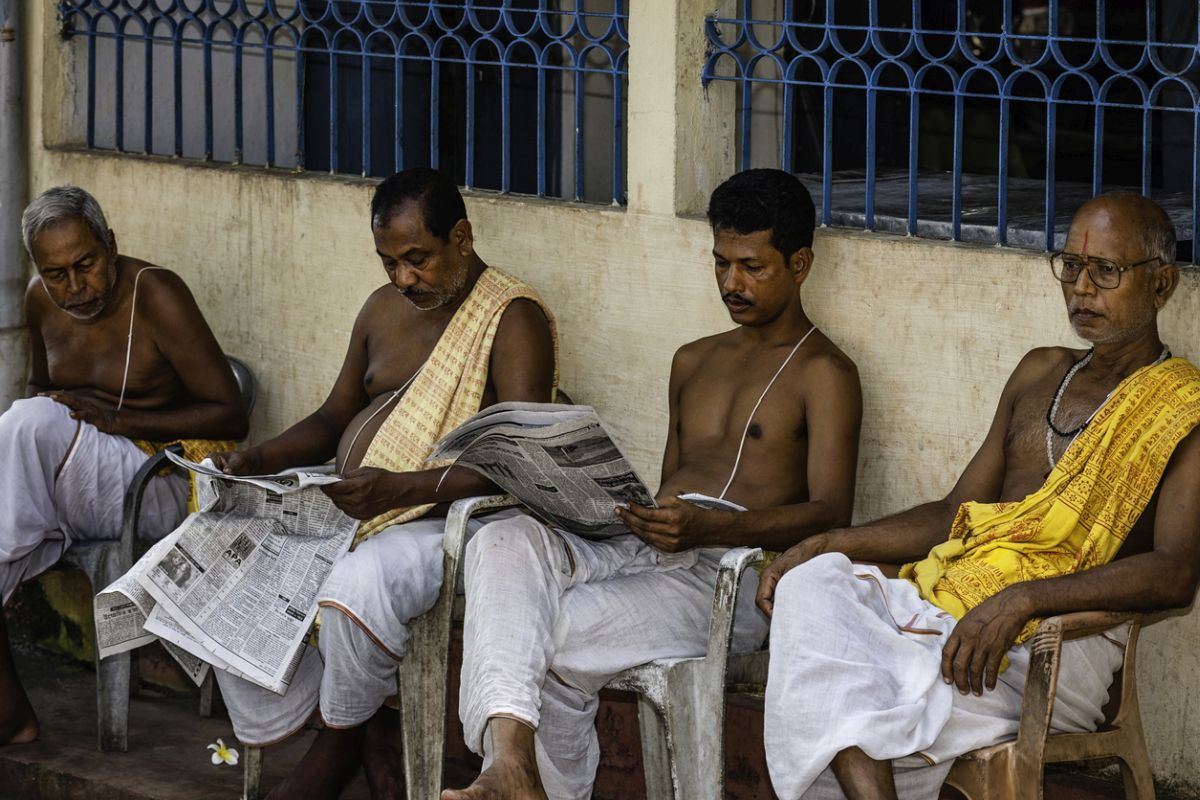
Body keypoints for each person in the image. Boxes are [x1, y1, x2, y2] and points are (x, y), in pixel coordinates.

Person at [757, 192, 1200, 800]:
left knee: (843, 687)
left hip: (1055, 644)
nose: (1081, 288)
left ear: (1162, 284)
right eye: (1070, 266)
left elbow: (1176, 575)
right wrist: (829, 541)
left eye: (1106, 271)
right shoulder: (1038, 371)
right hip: (954, 609)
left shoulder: (1182, 409)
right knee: (816, 588)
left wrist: (1023, 601)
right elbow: (951, 515)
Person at [443, 168, 863, 800]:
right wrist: (600, 506)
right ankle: (510, 766)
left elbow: (831, 514)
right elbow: (665, 485)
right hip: (650, 547)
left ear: (799, 263)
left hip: (730, 574)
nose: (731, 283)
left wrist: (717, 527)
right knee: (500, 540)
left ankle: (518, 777)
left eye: (752, 266)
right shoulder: (692, 359)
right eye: (720, 263)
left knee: (538, 635)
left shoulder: (825, 372)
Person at [209, 168, 557, 800]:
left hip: (446, 519)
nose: (405, 278)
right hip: (360, 499)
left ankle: (340, 741)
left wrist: (400, 490)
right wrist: (255, 460)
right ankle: (365, 734)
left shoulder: (512, 318)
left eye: (417, 259)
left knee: (354, 589)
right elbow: (331, 418)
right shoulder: (381, 308)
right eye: (390, 262)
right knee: (222, 554)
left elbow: (521, 460)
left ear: (461, 236)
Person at [0, 186, 248, 746]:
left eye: (85, 264)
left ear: (110, 245)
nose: (74, 286)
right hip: (79, 487)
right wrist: (74, 419)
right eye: (56, 272)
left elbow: (230, 414)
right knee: (31, 418)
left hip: (155, 485)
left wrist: (117, 419)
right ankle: (11, 715)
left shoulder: (155, 292)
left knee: (27, 422)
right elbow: (42, 388)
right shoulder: (40, 300)